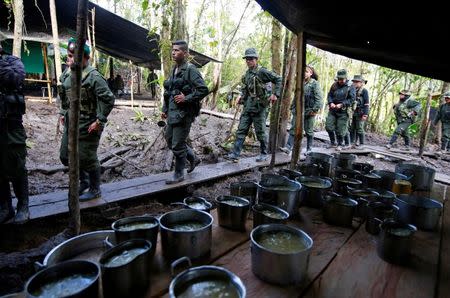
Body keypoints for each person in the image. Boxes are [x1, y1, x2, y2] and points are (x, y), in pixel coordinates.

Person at [58, 38, 115, 201]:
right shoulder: (67, 73)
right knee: (65, 155)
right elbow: (63, 94)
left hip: (89, 123)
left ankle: (95, 188)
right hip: (71, 122)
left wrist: (99, 121)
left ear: (84, 57)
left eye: (72, 56)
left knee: (87, 157)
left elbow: (109, 99)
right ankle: (84, 181)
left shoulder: (94, 77)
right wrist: (63, 112)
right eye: (68, 55)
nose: (68, 59)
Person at [162, 40, 208, 184]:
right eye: (173, 50)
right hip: (172, 113)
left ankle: (179, 174)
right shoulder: (174, 70)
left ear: (185, 53)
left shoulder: (190, 69)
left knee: (177, 144)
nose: (173, 52)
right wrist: (165, 109)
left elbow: (203, 89)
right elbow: (169, 91)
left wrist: (186, 98)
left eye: (177, 50)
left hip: (184, 114)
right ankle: (192, 157)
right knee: (170, 140)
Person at [225, 48, 282, 162]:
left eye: (251, 59)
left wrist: (276, 94)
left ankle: (264, 153)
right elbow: (246, 90)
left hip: (260, 107)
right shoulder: (247, 74)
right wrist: (241, 97)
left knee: (260, 131)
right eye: (247, 59)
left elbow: (279, 79)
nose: (248, 61)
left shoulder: (262, 72)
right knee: (241, 130)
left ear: (256, 59)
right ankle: (235, 154)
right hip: (248, 107)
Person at [0, 43, 29, 223]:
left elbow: (14, 77)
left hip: (12, 126)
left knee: (17, 166)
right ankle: (5, 206)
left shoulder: (13, 62)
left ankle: (23, 205)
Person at [281, 65, 322, 153]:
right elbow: (296, 96)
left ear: (311, 73)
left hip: (309, 111)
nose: (304, 73)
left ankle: (309, 149)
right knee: (293, 128)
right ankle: (288, 148)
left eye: (306, 72)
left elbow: (319, 98)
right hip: (298, 110)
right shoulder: (300, 82)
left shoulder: (314, 83)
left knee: (309, 131)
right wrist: (292, 107)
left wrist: (314, 110)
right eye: (303, 71)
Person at [325, 69, 356, 150]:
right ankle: (333, 143)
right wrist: (330, 102)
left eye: (342, 79)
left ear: (346, 78)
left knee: (341, 129)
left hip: (343, 111)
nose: (340, 81)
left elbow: (352, 99)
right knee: (329, 126)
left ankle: (340, 144)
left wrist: (342, 104)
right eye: (339, 79)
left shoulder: (350, 86)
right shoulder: (334, 85)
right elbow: (330, 95)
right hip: (333, 110)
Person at [349, 75, 370, 148]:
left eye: (357, 82)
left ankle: (362, 144)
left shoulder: (364, 91)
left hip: (361, 113)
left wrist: (365, 114)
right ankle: (352, 142)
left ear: (361, 83)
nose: (355, 83)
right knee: (352, 128)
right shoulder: (352, 90)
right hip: (353, 112)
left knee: (360, 128)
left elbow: (367, 103)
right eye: (354, 82)